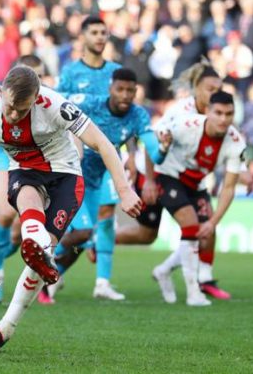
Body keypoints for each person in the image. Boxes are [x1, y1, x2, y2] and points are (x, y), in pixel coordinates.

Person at [0, 66, 141, 353]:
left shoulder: (55, 104)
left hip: (66, 175)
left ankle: (4, 329)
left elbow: (102, 144)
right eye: (10, 107)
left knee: (37, 260)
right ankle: (39, 246)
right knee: (27, 201)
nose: (14, 115)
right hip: (24, 170)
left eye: (22, 109)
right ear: (0, 91)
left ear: (36, 98)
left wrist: (124, 190)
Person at [42, 68, 167, 303]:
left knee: (105, 220)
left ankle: (102, 283)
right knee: (82, 233)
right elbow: (57, 100)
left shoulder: (138, 115)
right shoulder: (90, 103)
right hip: (73, 174)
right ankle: (43, 266)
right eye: (120, 89)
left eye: (130, 90)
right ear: (110, 89)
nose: (125, 95)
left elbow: (156, 155)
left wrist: (163, 147)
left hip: (103, 175)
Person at [115, 61, 233, 300]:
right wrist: (148, 180)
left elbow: (227, 145)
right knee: (149, 234)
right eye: (210, 89)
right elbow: (152, 143)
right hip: (160, 173)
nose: (215, 94)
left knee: (204, 228)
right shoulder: (181, 113)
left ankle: (203, 279)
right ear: (196, 89)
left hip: (190, 178)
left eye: (218, 88)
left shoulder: (218, 114)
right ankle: (102, 241)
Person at [56, 16, 130, 299]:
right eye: (95, 32)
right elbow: (58, 113)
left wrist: (131, 154)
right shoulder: (71, 73)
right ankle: (52, 271)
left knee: (109, 214)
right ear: (83, 37)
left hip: (110, 155)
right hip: (80, 158)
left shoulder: (116, 73)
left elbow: (128, 114)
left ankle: (102, 283)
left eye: (104, 32)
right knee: (81, 230)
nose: (100, 37)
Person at [151, 91, 246, 306]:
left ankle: (164, 270)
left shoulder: (235, 142)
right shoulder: (187, 125)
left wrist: (213, 223)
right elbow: (153, 140)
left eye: (228, 114)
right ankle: (194, 292)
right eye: (218, 113)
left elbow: (229, 188)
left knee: (205, 236)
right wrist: (148, 179)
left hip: (196, 184)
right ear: (208, 112)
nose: (223, 119)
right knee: (191, 226)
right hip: (168, 175)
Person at [0, 55, 49, 304]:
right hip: (6, 158)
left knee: (19, 235)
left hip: (37, 163)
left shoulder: (50, 102)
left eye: (38, 75)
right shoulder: (1, 97)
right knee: (5, 214)